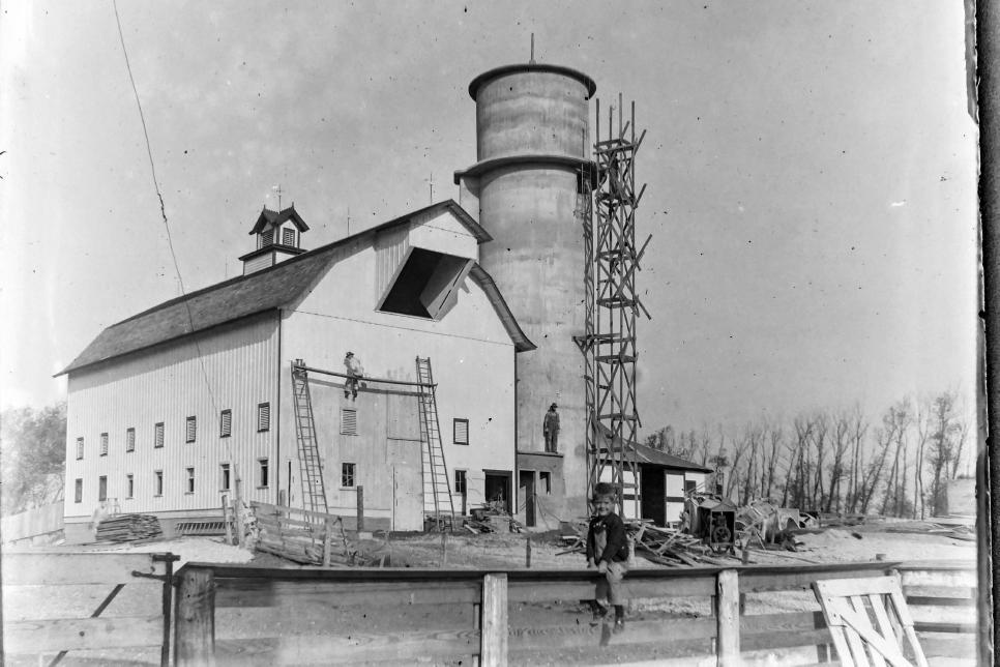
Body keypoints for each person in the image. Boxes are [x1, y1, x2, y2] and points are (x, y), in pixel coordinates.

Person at [586, 482, 629, 633]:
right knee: (584, 580)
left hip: (617, 561)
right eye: (598, 503)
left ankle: (619, 616)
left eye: (606, 503)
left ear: (613, 504)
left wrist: (604, 561)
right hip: (600, 562)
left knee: (613, 578)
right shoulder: (594, 523)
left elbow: (613, 544)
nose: (602, 506)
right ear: (593, 504)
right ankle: (598, 609)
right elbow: (590, 544)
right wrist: (592, 561)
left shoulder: (615, 522)